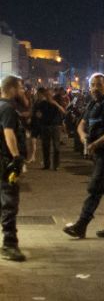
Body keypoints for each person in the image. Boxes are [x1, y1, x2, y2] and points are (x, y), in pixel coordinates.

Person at [63, 73, 104, 239]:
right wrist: (83, 137)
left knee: (95, 187)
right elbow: (81, 125)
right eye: (93, 85)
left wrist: (96, 144)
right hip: (97, 153)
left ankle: (81, 225)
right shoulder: (92, 104)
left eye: (99, 85)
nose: (95, 88)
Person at [0, 75, 27, 261]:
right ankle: (9, 244)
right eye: (21, 87)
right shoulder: (8, 108)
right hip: (6, 162)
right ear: (11, 88)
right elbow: (9, 134)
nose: (23, 91)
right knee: (10, 202)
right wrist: (16, 158)